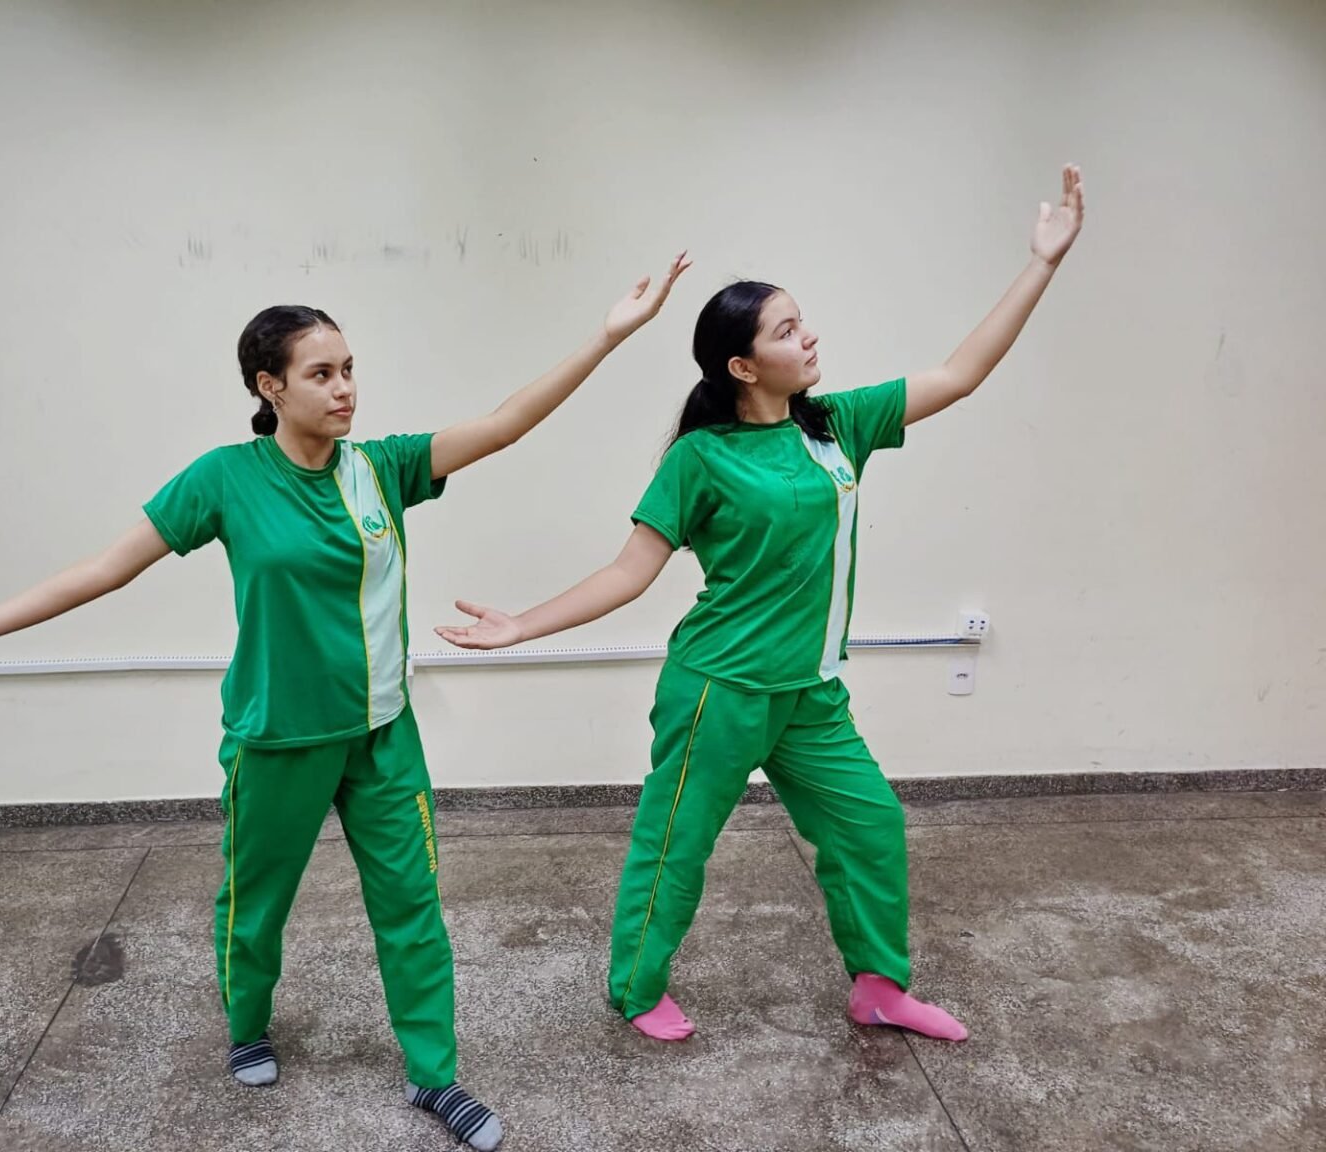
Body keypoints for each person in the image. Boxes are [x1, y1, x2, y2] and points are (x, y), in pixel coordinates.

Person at [0, 251, 691, 1149]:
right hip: (277, 738)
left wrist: (608, 336)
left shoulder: (384, 469)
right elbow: (100, 571)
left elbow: (502, 425)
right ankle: (247, 1025)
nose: (345, 390)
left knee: (413, 910)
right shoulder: (225, 479)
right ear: (270, 386)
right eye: (321, 374)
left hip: (382, 736)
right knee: (256, 908)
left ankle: (435, 1078)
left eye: (350, 370)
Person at [437, 167, 1086, 1044]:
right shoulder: (700, 458)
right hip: (720, 688)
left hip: (811, 693)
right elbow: (629, 572)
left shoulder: (836, 426)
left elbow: (962, 373)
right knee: (677, 846)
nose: (808, 335)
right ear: (742, 364)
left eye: (801, 319)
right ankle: (634, 988)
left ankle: (878, 985)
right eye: (787, 329)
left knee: (871, 828)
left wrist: (1041, 264)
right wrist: (522, 624)